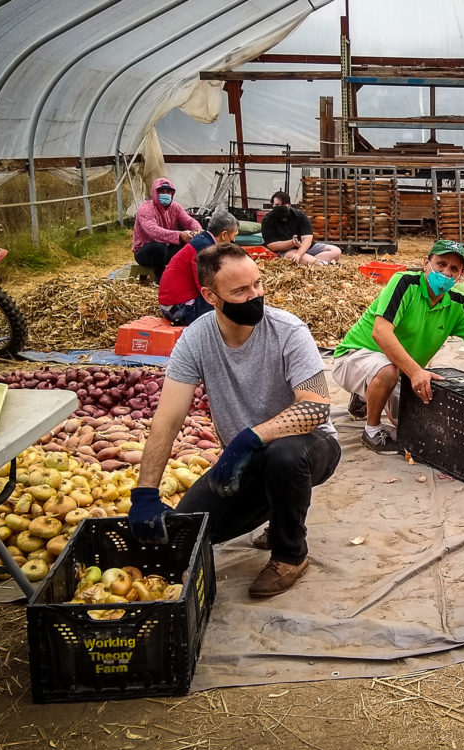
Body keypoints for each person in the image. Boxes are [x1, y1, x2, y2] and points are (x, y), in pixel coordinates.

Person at [128, 242, 342, 598]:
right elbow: (167, 419)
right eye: (240, 291)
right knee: (187, 534)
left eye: (257, 284)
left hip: (310, 446)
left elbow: (317, 408)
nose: (255, 295)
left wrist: (250, 438)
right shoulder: (196, 338)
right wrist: (145, 492)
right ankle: (277, 511)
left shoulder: (289, 330)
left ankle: (290, 554)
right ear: (211, 296)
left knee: (284, 457)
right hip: (245, 460)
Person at [333, 239, 464, 454]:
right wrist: (416, 371)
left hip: (400, 370)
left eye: (454, 268)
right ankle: (372, 431)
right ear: (426, 262)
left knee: (417, 424)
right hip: (355, 356)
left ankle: (366, 395)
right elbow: (380, 332)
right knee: (386, 371)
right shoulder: (404, 283)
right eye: (441, 264)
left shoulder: (460, 304)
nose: (446, 272)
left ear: (461, 274)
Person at [158, 210, 240, 326]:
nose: (234, 241)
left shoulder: (203, 241)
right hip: (179, 307)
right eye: (234, 236)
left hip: (173, 304)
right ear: (224, 235)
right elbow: (205, 284)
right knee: (229, 311)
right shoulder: (205, 249)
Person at [132, 177, 203, 284]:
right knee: (159, 246)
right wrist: (179, 235)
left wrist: (197, 230)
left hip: (166, 250)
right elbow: (154, 231)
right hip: (145, 253)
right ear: (155, 193)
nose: (165, 194)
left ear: (172, 193)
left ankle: (185, 273)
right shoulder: (145, 209)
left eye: (168, 191)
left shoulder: (176, 208)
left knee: (190, 241)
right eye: (161, 191)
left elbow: (189, 221)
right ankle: (160, 278)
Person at [260, 190, 342, 265]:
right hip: (285, 251)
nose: (280, 207)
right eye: (277, 205)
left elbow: (307, 239)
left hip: (305, 248)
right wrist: (291, 243)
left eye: (283, 205)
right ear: (273, 205)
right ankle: (323, 264)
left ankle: (311, 262)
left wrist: (299, 253)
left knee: (336, 251)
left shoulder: (299, 215)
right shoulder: (267, 220)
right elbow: (272, 245)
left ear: (289, 205)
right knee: (291, 256)